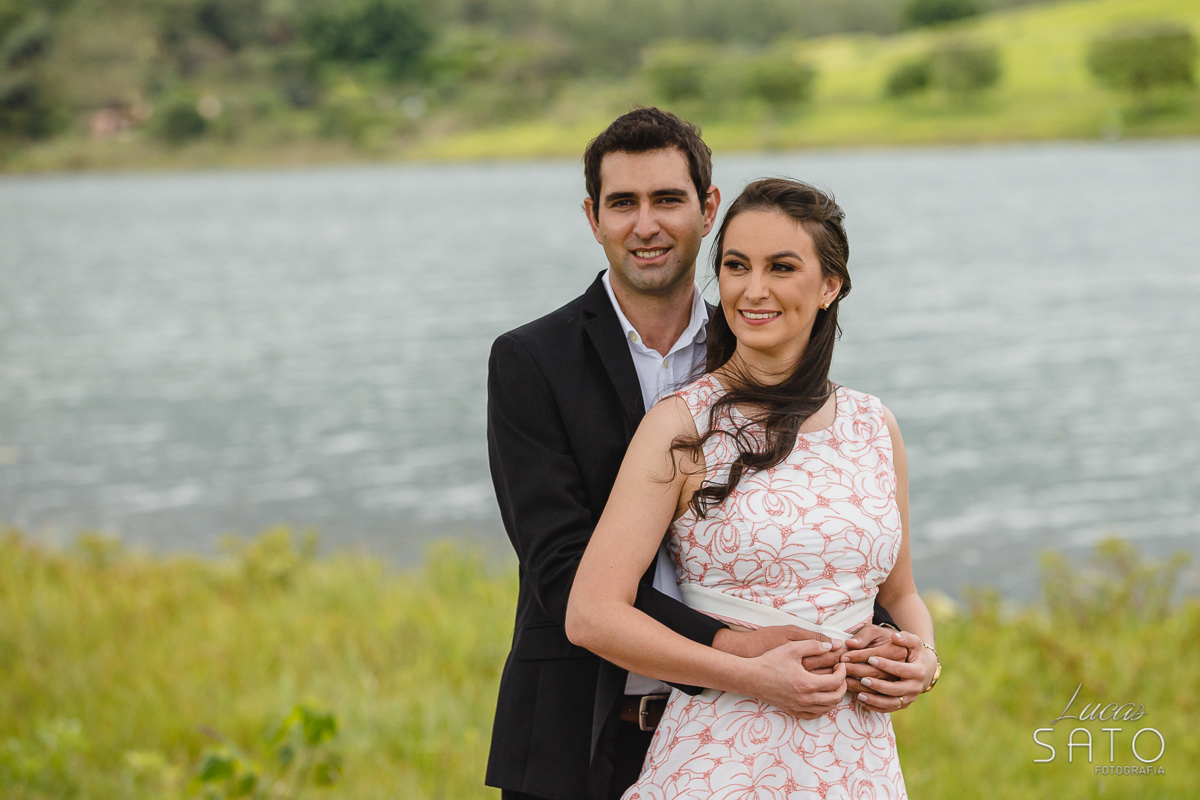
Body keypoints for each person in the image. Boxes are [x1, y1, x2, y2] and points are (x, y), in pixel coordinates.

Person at [485, 109, 933, 800]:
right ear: (592, 216)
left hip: (829, 742)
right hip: (591, 724)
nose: (646, 224)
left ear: (707, 208)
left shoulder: (778, 355)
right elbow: (563, 571)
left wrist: (914, 655)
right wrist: (738, 649)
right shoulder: (535, 363)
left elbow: (858, 567)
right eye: (623, 203)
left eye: (667, 198)